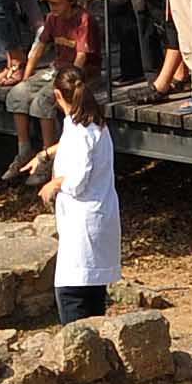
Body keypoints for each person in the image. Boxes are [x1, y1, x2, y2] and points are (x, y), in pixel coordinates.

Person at [2, 0, 98, 178]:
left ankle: (48, 157)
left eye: (57, 3)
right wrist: (27, 77)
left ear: (71, 0)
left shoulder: (83, 20)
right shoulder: (52, 19)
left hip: (76, 74)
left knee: (42, 102)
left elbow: (81, 59)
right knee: (17, 94)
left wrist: (67, 84)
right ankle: (24, 151)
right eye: (49, 3)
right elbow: (38, 49)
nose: (52, 8)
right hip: (56, 69)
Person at [46, 62, 119, 320]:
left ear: (57, 95)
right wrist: (45, 154)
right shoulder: (95, 123)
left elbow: (77, 182)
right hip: (99, 222)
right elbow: (72, 147)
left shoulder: (80, 132)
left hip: (83, 227)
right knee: (94, 300)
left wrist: (54, 184)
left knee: (71, 298)